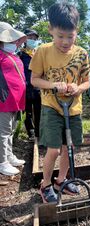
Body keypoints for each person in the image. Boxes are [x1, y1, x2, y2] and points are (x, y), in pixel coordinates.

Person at [29, 2, 90, 203]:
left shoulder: (82, 54)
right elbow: (34, 80)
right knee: (54, 149)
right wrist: (53, 85)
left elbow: (87, 82)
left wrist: (77, 88)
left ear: (77, 31)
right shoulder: (43, 51)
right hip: (51, 106)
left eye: (70, 36)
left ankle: (61, 181)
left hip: (73, 108)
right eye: (60, 36)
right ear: (50, 30)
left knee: (69, 148)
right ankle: (45, 184)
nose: (65, 41)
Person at [0, 22, 26, 176]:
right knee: (3, 132)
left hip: (16, 100)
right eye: (10, 40)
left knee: (10, 130)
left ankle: (8, 156)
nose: (14, 43)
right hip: (4, 100)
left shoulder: (11, 55)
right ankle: (2, 162)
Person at [18, 29, 41, 140]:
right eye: (30, 37)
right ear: (25, 39)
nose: (32, 40)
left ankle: (38, 132)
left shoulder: (39, 54)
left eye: (34, 38)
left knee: (39, 110)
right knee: (27, 112)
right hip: (25, 88)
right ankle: (31, 132)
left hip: (38, 88)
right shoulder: (20, 55)